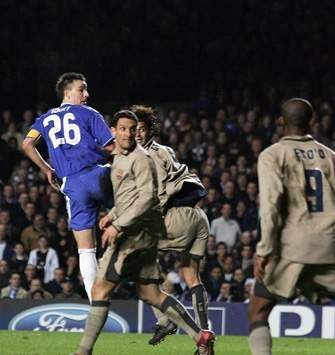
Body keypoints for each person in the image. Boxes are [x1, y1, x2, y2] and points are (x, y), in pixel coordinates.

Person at [248, 98, 335, 355]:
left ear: (281, 122)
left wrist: (264, 249)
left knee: (258, 311)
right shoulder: (332, 157)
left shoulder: (272, 155)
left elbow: (270, 205)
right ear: (311, 121)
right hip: (329, 245)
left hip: (291, 247)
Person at [73, 110, 214, 355]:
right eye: (126, 129)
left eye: (136, 128)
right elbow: (135, 195)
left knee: (100, 288)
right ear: (113, 132)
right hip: (181, 218)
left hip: (149, 227)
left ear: (147, 130)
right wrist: (114, 214)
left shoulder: (145, 157)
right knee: (150, 291)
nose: (132, 133)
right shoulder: (130, 156)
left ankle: (84, 351)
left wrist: (119, 223)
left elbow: (149, 197)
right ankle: (200, 335)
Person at [21, 72, 115, 302]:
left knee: (85, 249)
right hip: (98, 175)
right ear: (68, 92)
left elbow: (27, 143)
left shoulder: (44, 119)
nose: (86, 94)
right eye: (82, 89)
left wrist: (46, 169)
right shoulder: (88, 113)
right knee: (132, 217)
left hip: (72, 185)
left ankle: (96, 305)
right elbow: (112, 147)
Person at [130, 105, 211, 346]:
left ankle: (167, 319)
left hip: (176, 217)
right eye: (134, 130)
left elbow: (154, 196)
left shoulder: (145, 156)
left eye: (141, 130)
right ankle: (206, 336)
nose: (137, 135)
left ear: (149, 130)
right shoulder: (166, 150)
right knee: (191, 275)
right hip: (198, 216)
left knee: (135, 265)